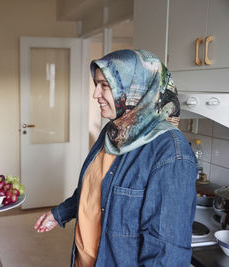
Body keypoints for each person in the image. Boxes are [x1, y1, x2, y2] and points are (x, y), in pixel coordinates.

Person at [34, 49, 198, 266]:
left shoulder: (170, 153)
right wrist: (59, 214)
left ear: (137, 88)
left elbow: (166, 254)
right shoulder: (114, 131)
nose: (95, 94)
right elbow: (94, 191)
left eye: (105, 85)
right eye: (96, 84)